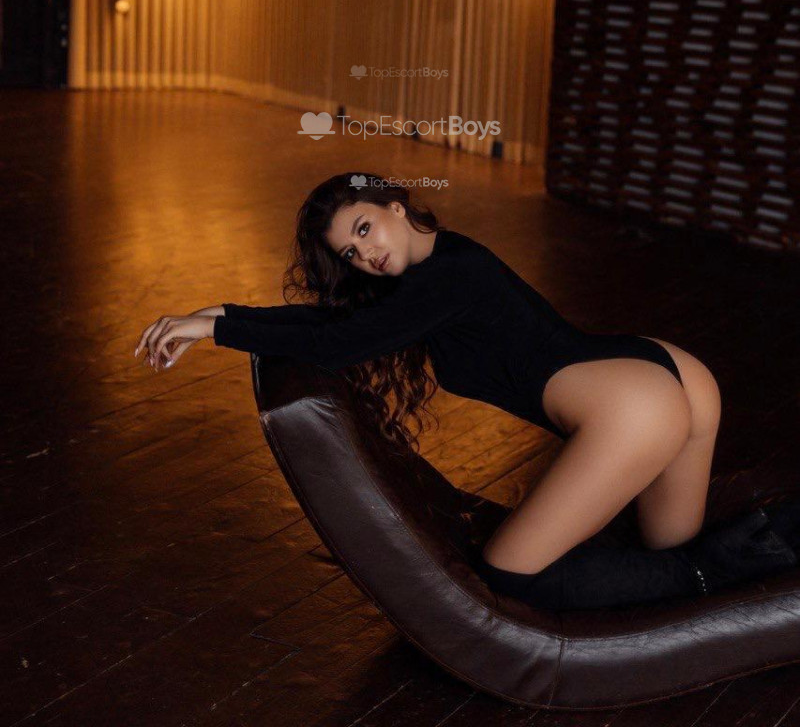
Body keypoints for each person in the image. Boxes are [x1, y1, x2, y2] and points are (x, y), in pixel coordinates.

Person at [134, 172, 800, 611]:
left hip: (636, 404)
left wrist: (217, 329)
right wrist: (219, 314)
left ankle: (728, 564)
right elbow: (341, 326)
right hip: (667, 372)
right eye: (348, 254)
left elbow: (338, 342)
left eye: (364, 229)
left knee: (512, 572)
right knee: (670, 551)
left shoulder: (445, 278)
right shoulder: (444, 263)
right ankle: (776, 536)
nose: (364, 255)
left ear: (395, 205)